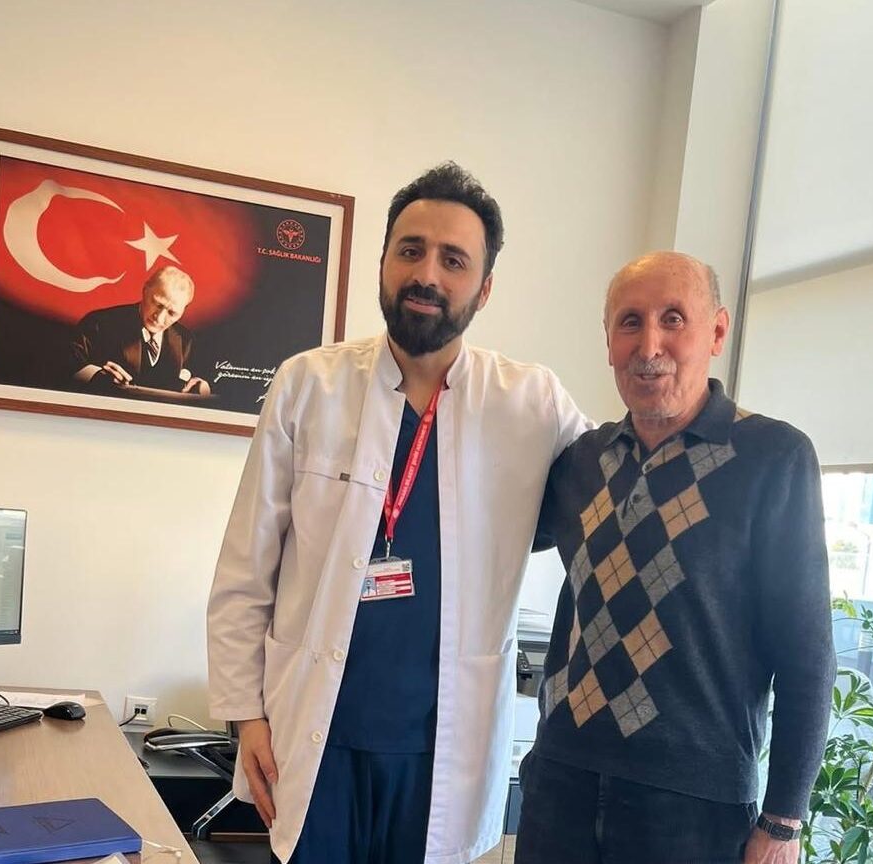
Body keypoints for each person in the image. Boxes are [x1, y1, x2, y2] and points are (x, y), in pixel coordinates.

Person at [206, 163, 590, 864]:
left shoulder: (531, 403)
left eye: (454, 260)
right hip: (316, 741)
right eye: (411, 250)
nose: (427, 275)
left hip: (442, 753)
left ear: (485, 287)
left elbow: (613, 495)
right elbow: (245, 566)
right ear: (382, 262)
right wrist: (245, 715)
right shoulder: (308, 385)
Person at [515, 252, 835, 864]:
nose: (649, 346)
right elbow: (487, 540)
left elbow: (807, 654)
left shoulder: (774, 458)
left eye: (673, 319)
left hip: (695, 806)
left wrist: (783, 821)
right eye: (630, 322)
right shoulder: (581, 462)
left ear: (717, 331)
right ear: (608, 341)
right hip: (560, 781)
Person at [70, 264, 211, 394]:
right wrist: (97, 376)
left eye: (172, 313)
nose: (159, 318)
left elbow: (206, 379)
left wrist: (203, 387)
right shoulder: (99, 323)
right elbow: (68, 366)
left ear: (183, 310)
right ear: (145, 290)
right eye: (157, 304)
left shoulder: (186, 340)